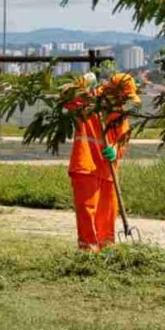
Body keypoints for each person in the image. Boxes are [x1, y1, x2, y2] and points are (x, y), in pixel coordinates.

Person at [62, 70, 141, 251]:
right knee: (88, 211)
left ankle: (106, 250)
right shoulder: (87, 100)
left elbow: (123, 137)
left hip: (107, 170)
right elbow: (66, 98)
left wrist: (115, 149)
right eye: (124, 97)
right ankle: (88, 252)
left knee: (107, 213)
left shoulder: (119, 113)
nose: (125, 102)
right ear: (114, 92)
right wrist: (82, 83)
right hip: (86, 164)